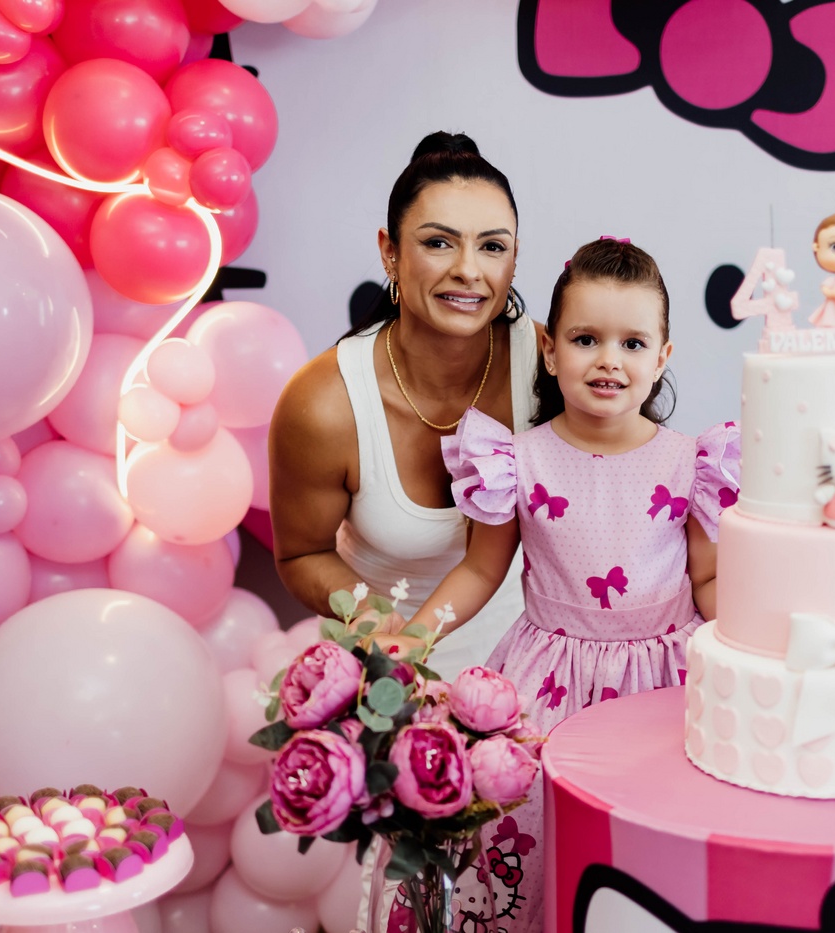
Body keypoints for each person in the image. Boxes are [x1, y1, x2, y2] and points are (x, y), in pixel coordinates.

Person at [404, 237, 740, 932]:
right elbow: (480, 569)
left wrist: (759, 642)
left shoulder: (692, 463)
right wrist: (412, 637)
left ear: (662, 357)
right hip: (547, 683)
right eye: (587, 339)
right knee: (533, 842)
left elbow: (706, 577)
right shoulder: (515, 460)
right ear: (551, 350)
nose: (609, 360)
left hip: (664, 684)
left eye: (632, 343)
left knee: (650, 853)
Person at [268, 131, 540, 682]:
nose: (469, 270)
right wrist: (375, 622)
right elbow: (301, 554)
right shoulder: (325, 403)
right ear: (389, 252)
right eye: (439, 242)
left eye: (492, 246)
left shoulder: (551, 368)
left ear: (514, 258)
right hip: (386, 669)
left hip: (532, 659)